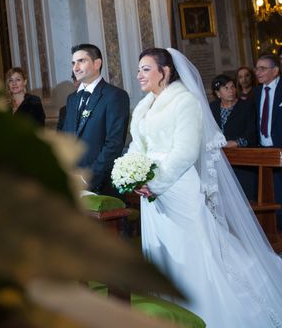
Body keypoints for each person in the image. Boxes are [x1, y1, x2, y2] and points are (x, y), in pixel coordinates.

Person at [129, 47, 282, 328]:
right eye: (138, 69)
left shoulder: (185, 101)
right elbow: (137, 146)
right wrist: (131, 175)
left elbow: (185, 151)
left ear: (165, 72)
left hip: (176, 188)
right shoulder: (143, 106)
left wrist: (155, 182)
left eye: (146, 69)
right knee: (162, 254)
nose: (139, 74)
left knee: (191, 252)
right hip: (150, 194)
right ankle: (171, 314)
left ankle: (205, 312)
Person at [60, 44, 129, 195]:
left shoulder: (114, 96)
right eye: (73, 63)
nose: (75, 68)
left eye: (81, 61)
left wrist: (88, 178)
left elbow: (114, 143)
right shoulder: (72, 99)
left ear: (97, 63)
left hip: (101, 183)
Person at [209, 74, 257, 199]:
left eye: (232, 87)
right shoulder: (212, 107)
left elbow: (252, 132)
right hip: (220, 162)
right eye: (226, 88)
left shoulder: (246, 106)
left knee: (245, 197)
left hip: (243, 161)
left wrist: (236, 143)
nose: (231, 91)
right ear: (218, 93)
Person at [254, 54, 282, 227]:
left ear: (275, 71)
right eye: (257, 68)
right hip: (264, 151)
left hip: (280, 148)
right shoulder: (257, 92)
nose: (258, 72)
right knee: (272, 195)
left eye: (263, 68)